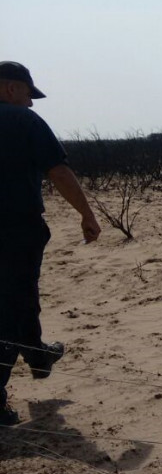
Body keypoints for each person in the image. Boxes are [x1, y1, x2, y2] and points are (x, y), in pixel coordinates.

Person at [0, 61, 101, 426]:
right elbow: (58, 170)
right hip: (14, 228)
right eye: (28, 94)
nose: (31, 103)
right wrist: (87, 215)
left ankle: (39, 356)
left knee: (18, 298)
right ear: (11, 88)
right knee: (11, 308)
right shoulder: (23, 121)